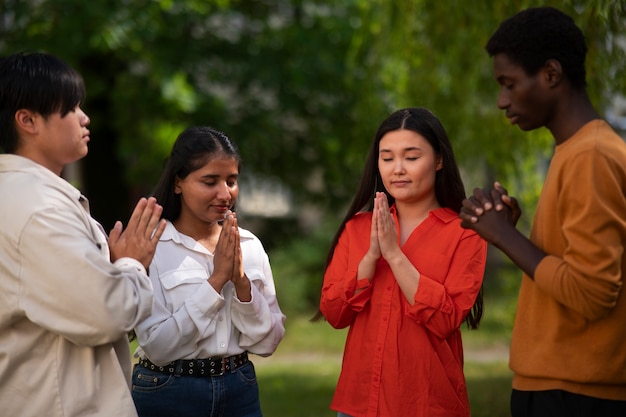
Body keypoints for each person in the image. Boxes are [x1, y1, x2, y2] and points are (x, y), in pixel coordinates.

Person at [459, 6, 626, 417]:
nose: (501, 101)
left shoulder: (592, 156)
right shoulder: (576, 152)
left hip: (578, 395)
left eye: (509, 84)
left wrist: (505, 236)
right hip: (560, 386)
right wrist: (516, 236)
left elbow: (593, 293)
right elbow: (569, 269)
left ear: (551, 74)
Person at [0, 51, 167, 417]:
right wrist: (131, 265)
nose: (85, 118)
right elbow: (105, 313)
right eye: (72, 107)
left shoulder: (25, 197)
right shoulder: (38, 210)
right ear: (28, 120)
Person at [319, 107, 487, 417]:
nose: (398, 169)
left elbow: (445, 319)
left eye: (411, 158)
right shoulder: (357, 228)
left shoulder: (465, 234)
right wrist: (371, 256)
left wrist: (394, 255)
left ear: (439, 160)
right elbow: (333, 313)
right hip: (359, 404)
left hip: (427, 404)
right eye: (387, 158)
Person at [131, 126, 286, 417]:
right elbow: (157, 347)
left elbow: (267, 343)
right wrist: (215, 282)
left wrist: (240, 282)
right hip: (167, 390)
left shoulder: (249, 246)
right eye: (210, 181)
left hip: (239, 387)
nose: (225, 193)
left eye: (232, 180)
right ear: (178, 182)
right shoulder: (152, 246)